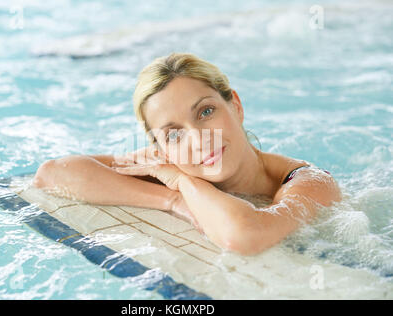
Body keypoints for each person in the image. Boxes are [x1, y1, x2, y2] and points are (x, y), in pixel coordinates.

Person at [32, 52, 342, 256]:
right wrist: (173, 198)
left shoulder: (309, 182)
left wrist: (182, 182)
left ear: (235, 105)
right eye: (174, 133)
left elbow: (244, 236)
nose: (198, 139)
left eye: (206, 111)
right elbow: (52, 174)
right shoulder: (171, 166)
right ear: (160, 149)